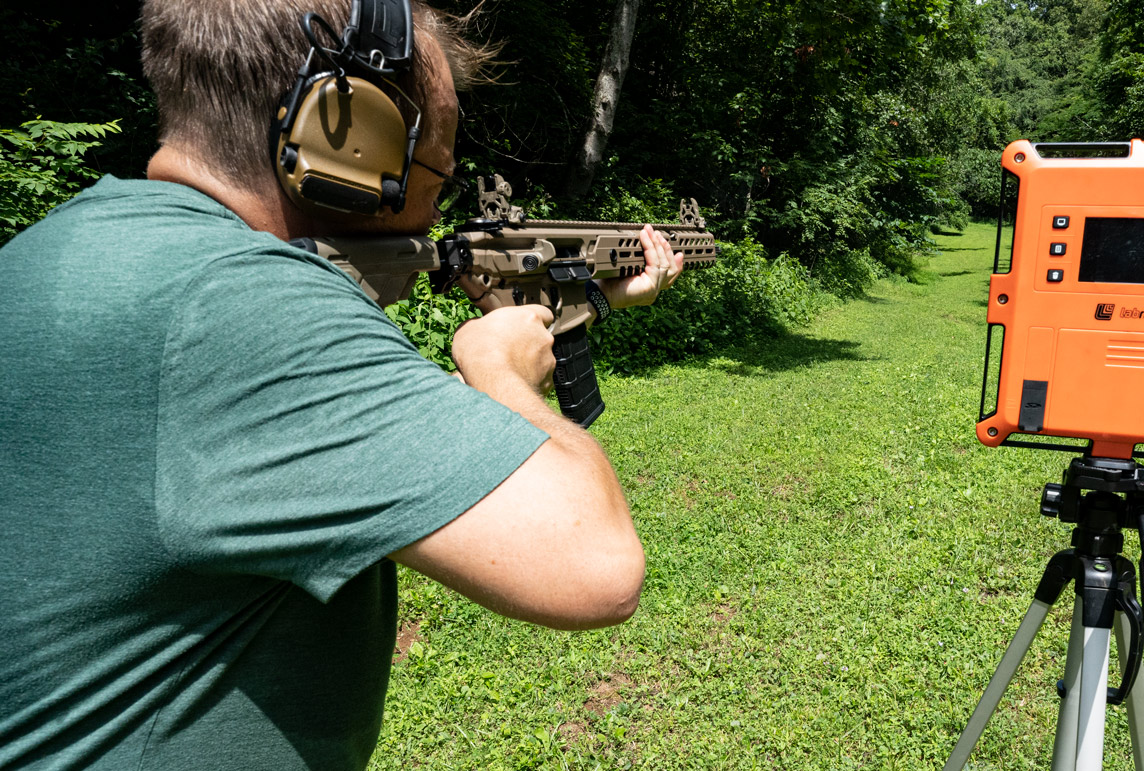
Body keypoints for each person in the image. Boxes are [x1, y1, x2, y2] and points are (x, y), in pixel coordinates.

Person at [0, 1, 679, 768]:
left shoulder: (53, 255)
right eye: (436, 169)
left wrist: (581, 302)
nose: (438, 201)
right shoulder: (242, 309)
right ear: (349, 138)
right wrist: (502, 378)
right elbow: (595, 565)